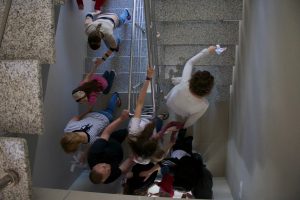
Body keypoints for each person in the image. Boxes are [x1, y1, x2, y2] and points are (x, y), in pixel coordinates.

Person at [165, 46, 221, 128]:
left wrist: (207, 51)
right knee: (182, 81)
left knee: (182, 81)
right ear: (207, 90)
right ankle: (177, 81)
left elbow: (190, 62)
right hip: (181, 111)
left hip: (170, 100)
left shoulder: (185, 82)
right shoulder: (204, 105)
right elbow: (192, 119)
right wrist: (184, 126)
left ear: (191, 80)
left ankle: (176, 82)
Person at [60, 92, 121, 157]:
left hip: (105, 117)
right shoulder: (68, 129)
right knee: (107, 110)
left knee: (110, 110)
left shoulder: (91, 140)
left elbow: (104, 136)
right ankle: (114, 96)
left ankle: (115, 95)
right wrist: (88, 111)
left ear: (77, 145)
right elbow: (76, 118)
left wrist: (84, 154)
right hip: (91, 114)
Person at [88, 110, 134, 184]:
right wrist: (132, 158)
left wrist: (121, 118)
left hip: (112, 141)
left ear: (94, 167)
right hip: (117, 153)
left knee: (128, 131)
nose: (108, 166)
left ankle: (126, 131)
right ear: (105, 179)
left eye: (103, 165)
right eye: (108, 171)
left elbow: (106, 132)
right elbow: (122, 168)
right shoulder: (109, 178)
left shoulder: (94, 153)